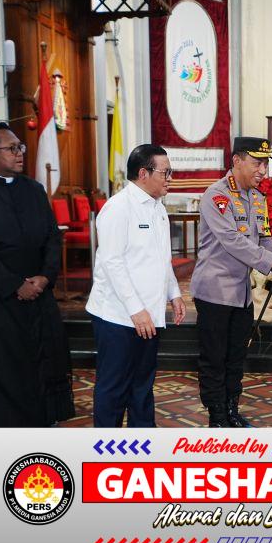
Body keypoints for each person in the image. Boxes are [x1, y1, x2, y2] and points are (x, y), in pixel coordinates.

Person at [0, 123, 74, 427]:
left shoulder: (34, 189)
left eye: (21, 147)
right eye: (12, 148)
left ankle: (42, 420)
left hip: (38, 294)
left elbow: (52, 237)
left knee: (43, 361)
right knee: (3, 368)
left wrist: (45, 277)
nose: (20, 153)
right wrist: (14, 284)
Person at [86, 144, 185, 427]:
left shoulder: (158, 207)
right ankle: (106, 447)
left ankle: (143, 445)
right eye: (165, 172)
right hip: (118, 316)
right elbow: (112, 263)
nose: (170, 178)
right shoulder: (118, 208)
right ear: (143, 173)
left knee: (142, 387)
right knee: (113, 389)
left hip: (148, 315)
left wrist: (174, 293)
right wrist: (135, 310)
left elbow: (162, 257)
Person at [191, 137, 272, 427]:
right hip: (214, 292)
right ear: (237, 161)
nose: (263, 170)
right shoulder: (216, 196)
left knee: (235, 357)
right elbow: (232, 240)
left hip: (242, 293)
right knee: (214, 358)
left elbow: (264, 237)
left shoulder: (257, 198)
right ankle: (217, 416)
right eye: (257, 163)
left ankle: (232, 410)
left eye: (265, 164)